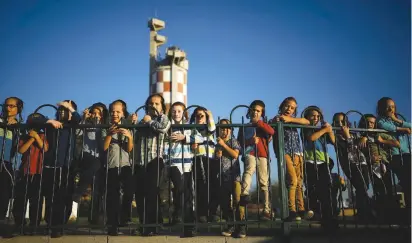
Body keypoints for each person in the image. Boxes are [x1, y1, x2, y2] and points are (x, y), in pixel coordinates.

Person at [134, 94, 171, 236]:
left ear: (162, 106)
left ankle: (152, 225)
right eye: (151, 103)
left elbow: (163, 128)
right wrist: (136, 124)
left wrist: (149, 122)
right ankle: (143, 224)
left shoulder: (162, 118)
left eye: (156, 103)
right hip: (139, 162)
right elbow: (135, 138)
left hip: (155, 161)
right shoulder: (143, 121)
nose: (153, 106)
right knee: (139, 195)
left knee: (151, 193)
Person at [237, 100, 274, 238]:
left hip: (263, 155)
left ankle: (266, 209)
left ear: (262, 113)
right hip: (250, 153)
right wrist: (250, 141)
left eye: (258, 111)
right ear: (249, 111)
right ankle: (245, 194)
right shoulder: (244, 126)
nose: (255, 112)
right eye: (253, 110)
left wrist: (259, 123)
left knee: (264, 181)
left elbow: (272, 131)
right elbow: (240, 142)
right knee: (249, 170)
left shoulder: (263, 125)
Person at [272, 97, 309, 221]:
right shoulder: (277, 119)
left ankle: (301, 209)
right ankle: (291, 210)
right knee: (292, 180)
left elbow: (307, 122)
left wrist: (290, 119)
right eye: (287, 106)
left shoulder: (294, 120)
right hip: (285, 152)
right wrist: (279, 120)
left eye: (292, 108)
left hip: (298, 153)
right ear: (282, 106)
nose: (289, 109)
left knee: (299, 182)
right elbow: (271, 128)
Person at [102, 100, 134, 236]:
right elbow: (104, 148)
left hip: (125, 164)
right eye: (113, 111)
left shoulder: (127, 126)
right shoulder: (106, 126)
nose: (115, 113)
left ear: (123, 113)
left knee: (129, 191)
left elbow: (129, 149)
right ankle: (112, 225)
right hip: (112, 165)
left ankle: (124, 218)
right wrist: (109, 134)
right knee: (112, 196)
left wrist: (129, 137)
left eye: (118, 111)